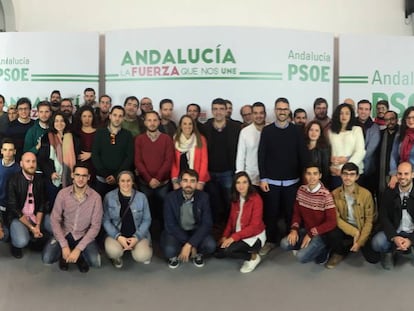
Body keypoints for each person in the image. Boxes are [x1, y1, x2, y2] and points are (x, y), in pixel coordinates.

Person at [258, 97, 308, 255]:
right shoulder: (267, 131)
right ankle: (271, 241)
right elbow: (261, 155)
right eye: (279, 109)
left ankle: (291, 241)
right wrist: (263, 178)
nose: (282, 111)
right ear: (275, 111)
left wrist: (304, 180)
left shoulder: (296, 131)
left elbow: (303, 155)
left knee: (290, 214)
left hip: (292, 182)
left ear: (289, 111)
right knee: (270, 214)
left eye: (285, 109)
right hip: (270, 182)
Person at [42, 164, 103, 273]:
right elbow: (55, 219)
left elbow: (95, 227)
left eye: (84, 176)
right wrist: (64, 245)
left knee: (95, 262)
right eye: (78, 175)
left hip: (83, 234)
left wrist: (79, 249)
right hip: (65, 232)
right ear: (72, 175)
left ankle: (77, 255)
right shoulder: (63, 194)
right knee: (47, 258)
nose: (80, 179)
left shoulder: (96, 198)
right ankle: (65, 252)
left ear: (88, 177)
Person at [280, 164, 336, 263]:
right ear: (305, 176)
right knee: (284, 244)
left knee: (301, 257)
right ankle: (309, 247)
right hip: (306, 229)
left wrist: (311, 234)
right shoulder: (301, 190)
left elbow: (332, 222)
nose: (312, 177)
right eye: (309, 174)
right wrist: (294, 229)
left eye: (315, 174)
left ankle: (325, 249)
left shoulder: (326, 195)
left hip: (321, 234)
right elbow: (296, 213)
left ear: (320, 176)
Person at [161, 169, 216, 268]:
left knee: (211, 245)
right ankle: (185, 252)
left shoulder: (204, 197)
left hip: (195, 230)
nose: (188, 184)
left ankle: (196, 253)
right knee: (169, 251)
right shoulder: (170, 198)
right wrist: (191, 244)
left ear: (196, 183)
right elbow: (170, 225)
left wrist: (190, 244)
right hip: (177, 231)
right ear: (180, 182)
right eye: (185, 180)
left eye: (192, 181)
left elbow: (207, 223)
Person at [326, 163, 377, 269]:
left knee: (373, 258)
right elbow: (336, 218)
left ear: (357, 177)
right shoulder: (334, 194)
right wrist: (354, 233)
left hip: (361, 227)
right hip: (345, 228)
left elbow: (369, 220)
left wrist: (360, 240)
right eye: (345, 174)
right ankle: (339, 252)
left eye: (352, 174)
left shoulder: (366, 194)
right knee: (331, 231)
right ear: (341, 175)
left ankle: (353, 243)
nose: (348, 177)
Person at [217, 172, 266, 273]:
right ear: (234, 185)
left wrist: (232, 238)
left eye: (244, 182)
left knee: (228, 250)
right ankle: (243, 249)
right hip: (239, 233)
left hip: (254, 236)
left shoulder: (256, 199)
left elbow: (254, 227)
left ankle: (253, 257)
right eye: (238, 182)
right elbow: (231, 220)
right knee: (219, 251)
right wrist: (225, 236)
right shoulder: (235, 198)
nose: (241, 186)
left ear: (249, 184)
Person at [103, 171, 153, 268]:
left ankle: (143, 248)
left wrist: (137, 237)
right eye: (122, 181)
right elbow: (106, 220)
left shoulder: (141, 197)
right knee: (113, 252)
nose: (125, 184)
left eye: (128, 181)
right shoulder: (109, 197)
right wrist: (118, 237)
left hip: (138, 234)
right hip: (117, 234)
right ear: (118, 182)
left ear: (133, 182)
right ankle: (117, 257)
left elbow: (147, 219)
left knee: (142, 256)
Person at [203, 98, 241, 225]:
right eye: (215, 109)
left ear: (226, 111)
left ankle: (230, 227)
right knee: (213, 202)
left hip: (228, 172)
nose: (218, 112)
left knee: (229, 202)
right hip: (210, 172)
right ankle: (216, 228)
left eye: (221, 109)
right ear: (212, 111)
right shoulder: (205, 127)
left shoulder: (236, 127)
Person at [135, 111, 174, 230]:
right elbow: (138, 161)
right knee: (146, 210)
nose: (152, 123)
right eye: (149, 120)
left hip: (163, 183)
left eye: (155, 120)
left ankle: (163, 235)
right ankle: (146, 234)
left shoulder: (166, 139)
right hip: (144, 183)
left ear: (159, 121)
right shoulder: (139, 139)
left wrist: (157, 178)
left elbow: (168, 161)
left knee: (163, 211)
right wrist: (149, 179)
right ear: (145, 122)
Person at [7, 152, 51, 258]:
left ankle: (34, 238)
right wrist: (32, 227)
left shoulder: (40, 180)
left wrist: (38, 225)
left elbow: (42, 204)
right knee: (21, 241)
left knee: (54, 225)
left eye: (33, 161)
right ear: (21, 164)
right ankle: (15, 244)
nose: (31, 164)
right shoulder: (13, 180)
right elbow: (14, 208)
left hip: (35, 215)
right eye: (28, 161)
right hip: (18, 217)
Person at [372, 162, 414, 270]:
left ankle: (408, 247)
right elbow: (383, 216)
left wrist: (411, 240)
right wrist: (394, 236)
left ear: (412, 175)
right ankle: (388, 252)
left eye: (406, 174)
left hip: (412, 232)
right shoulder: (389, 191)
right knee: (377, 242)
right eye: (399, 174)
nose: (402, 177)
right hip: (396, 231)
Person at [92, 105, 134, 198]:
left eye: (120, 116)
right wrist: (106, 174)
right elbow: (95, 155)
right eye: (115, 115)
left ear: (123, 118)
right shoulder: (100, 133)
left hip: (120, 179)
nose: (117, 118)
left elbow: (129, 157)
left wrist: (116, 175)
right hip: (102, 179)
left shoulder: (127, 135)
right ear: (110, 116)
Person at [37, 112, 77, 209]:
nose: (59, 123)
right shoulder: (46, 138)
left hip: (70, 177)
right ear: (53, 123)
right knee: (55, 207)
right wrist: (51, 173)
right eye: (56, 121)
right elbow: (42, 160)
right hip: (53, 179)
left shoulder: (74, 137)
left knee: (69, 207)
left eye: (62, 121)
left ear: (66, 122)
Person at [328, 103, 365, 189]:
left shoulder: (357, 130)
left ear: (351, 115)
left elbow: (360, 151)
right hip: (335, 172)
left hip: (353, 173)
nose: (344, 116)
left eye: (347, 113)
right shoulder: (330, 132)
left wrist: (346, 168)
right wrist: (330, 164)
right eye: (341, 113)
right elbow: (327, 152)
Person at [171, 115, 209, 191]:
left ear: (193, 125)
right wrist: (175, 181)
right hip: (180, 179)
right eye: (184, 124)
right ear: (180, 126)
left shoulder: (200, 139)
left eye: (190, 124)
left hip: (196, 179)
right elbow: (173, 162)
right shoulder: (175, 139)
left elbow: (204, 161)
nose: (187, 126)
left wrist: (200, 181)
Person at [236, 102, 267, 187]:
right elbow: (240, 156)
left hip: (269, 177)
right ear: (252, 115)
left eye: (261, 113)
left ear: (265, 114)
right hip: (250, 178)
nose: (258, 116)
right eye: (255, 113)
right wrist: (240, 177)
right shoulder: (245, 132)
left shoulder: (271, 130)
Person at [355, 99, 380, 195]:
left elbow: (369, 151)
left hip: (368, 171)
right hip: (351, 170)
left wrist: (353, 158)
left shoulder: (375, 128)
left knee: (367, 198)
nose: (363, 112)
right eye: (361, 109)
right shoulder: (350, 125)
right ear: (357, 110)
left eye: (366, 109)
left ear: (370, 111)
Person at [0, 139, 20, 242]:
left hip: (11, 207)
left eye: (10, 150)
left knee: (10, 233)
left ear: (15, 152)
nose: (8, 153)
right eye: (5, 149)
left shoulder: (18, 170)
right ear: (1, 151)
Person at [389, 106, 414, 189]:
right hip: (401, 175)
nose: (411, 120)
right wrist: (394, 174)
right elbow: (394, 155)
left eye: (413, 117)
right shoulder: (400, 134)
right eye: (408, 118)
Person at [73, 105, 97, 186]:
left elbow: (104, 150)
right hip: (79, 169)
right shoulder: (75, 132)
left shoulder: (99, 133)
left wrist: (91, 154)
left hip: (95, 168)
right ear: (80, 117)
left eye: (89, 116)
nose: (87, 119)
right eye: (84, 116)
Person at [6, 97, 35, 162]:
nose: (23, 111)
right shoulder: (11, 126)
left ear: (30, 110)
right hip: (15, 161)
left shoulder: (35, 125)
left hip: (33, 160)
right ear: (17, 111)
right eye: (20, 109)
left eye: (26, 109)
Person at [378, 110, 399, 195]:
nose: (389, 122)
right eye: (386, 120)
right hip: (383, 173)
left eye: (392, 119)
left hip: (400, 173)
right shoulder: (380, 134)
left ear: (397, 120)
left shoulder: (403, 134)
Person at [305, 120, 331, 188]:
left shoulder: (324, 149)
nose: (313, 133)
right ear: (307, 131)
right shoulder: (302, 147)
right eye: (311, 130)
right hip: (303, 182)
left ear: (320, 133)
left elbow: (325, 171)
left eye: (317, 130)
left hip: (318, 184)